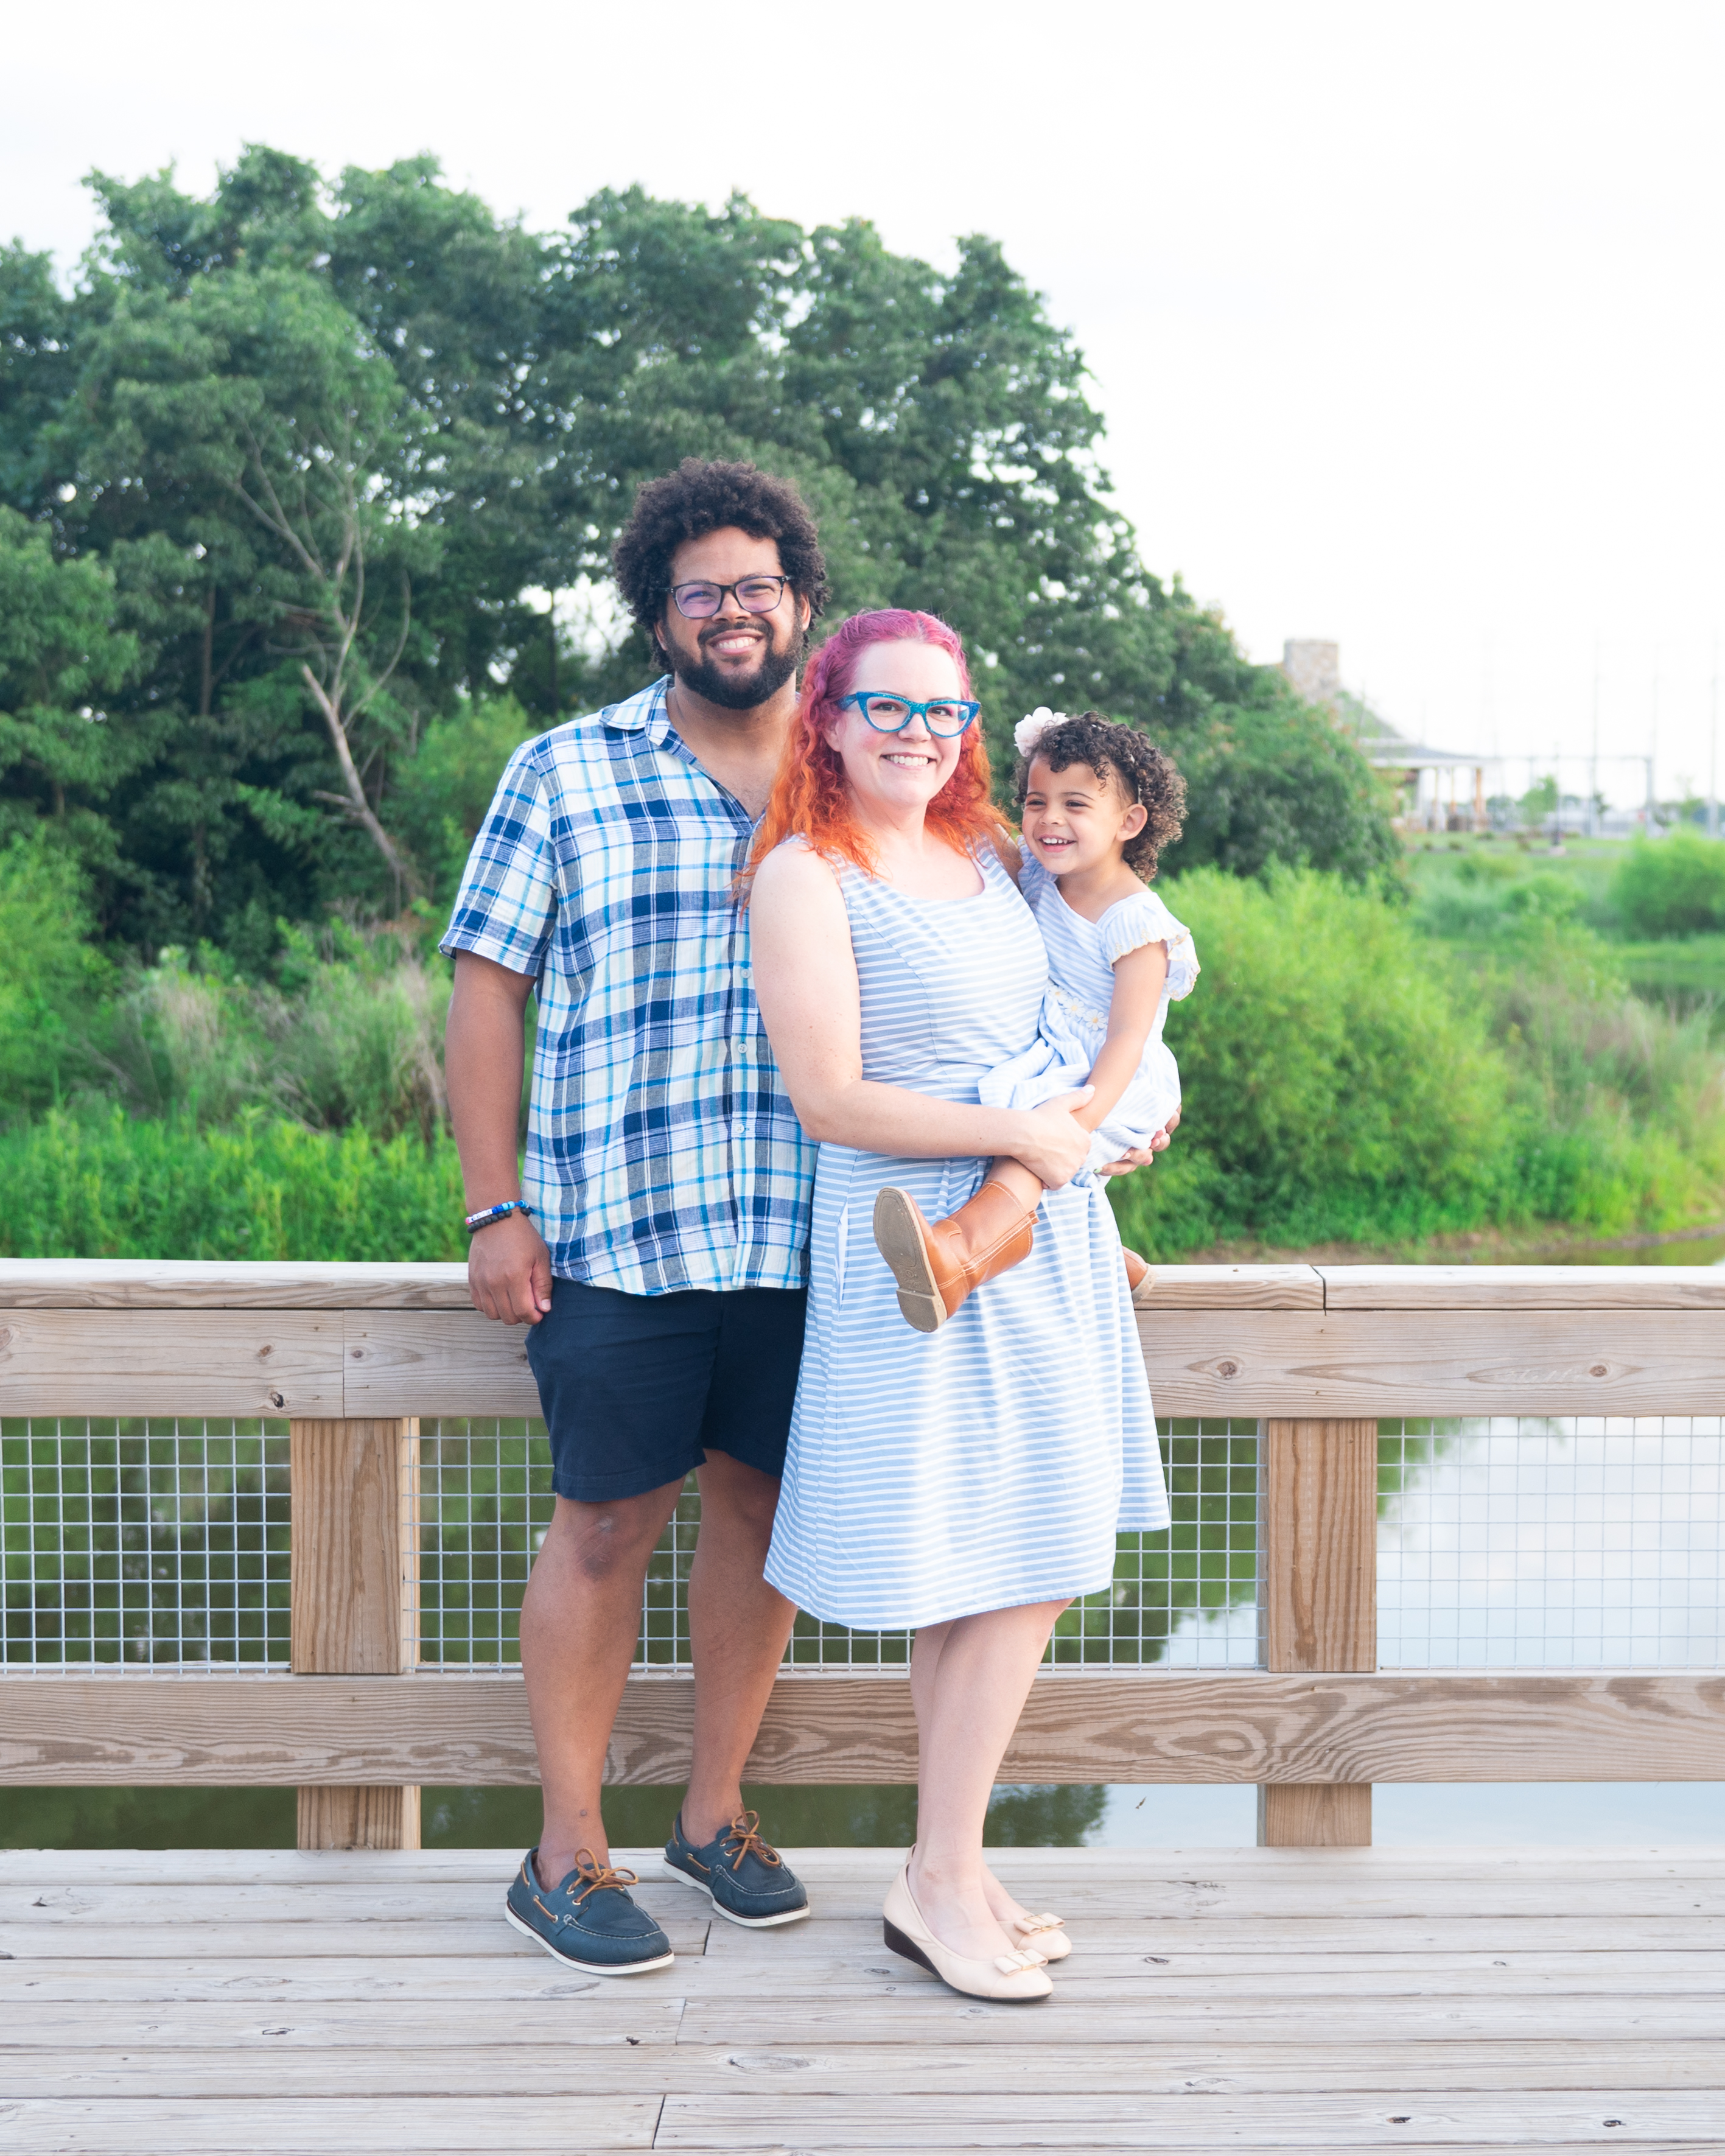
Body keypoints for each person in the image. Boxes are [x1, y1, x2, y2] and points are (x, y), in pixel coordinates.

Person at [746, 609, 1171, 2003]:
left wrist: (1108, 1125)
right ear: (826, 714)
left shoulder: (992, 853)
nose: (920, 733)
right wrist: (1031, 1140)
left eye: (945, 711)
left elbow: (1102, 972)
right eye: (889, 708)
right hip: (905, 1236)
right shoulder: (807, 873)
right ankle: (934, 1877)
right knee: (995, 1554)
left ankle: (955, 1863)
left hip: (1040, 1227)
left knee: (1009, 1555)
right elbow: (829, 1098)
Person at [441, 458, 832, 1975]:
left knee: (760, 1517)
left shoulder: (858, 769)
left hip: (806, 1231)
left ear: (800, 603)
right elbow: (489, 989)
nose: (731, 612)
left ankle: (714, 1814)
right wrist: (493, 1206)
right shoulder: (562, 770)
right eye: (700, 592)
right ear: (658, 617)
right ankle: (565, 1852)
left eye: (755, 586)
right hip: (621, 1227)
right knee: (603, 1524)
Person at [871, 705, 1198, 1332]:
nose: (1049, 819)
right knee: (1024, 1122)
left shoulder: (1136, 919)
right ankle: (1109, 1262)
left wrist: (1083, 1117)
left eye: (1075, 805)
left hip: (1112, 1074)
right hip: (1058, 1057)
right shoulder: (1041, 873)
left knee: (1029, 1150)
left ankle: (961, 1253)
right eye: (1034, 800)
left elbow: (1131, 1034)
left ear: (1129, 821)